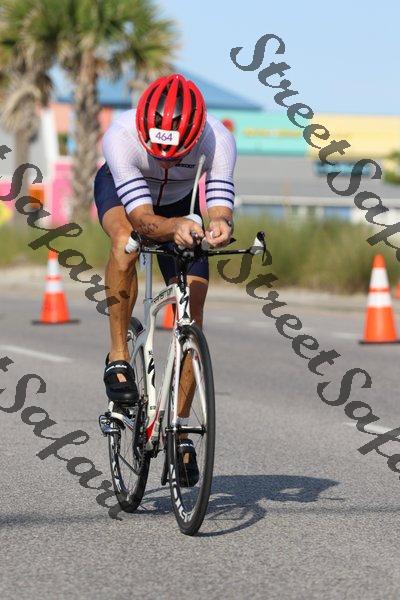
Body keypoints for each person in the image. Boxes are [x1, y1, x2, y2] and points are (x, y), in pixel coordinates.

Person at [94, 73, 236, 484]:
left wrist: (220, 224)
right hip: (127, 197)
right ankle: (118, 356)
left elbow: (219, 203)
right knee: (125, 242)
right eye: (160, 153)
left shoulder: (219, 139)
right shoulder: (120, 136)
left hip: (181, 202)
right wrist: (173, 227)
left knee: (194, 305)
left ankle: (180, 430)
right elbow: (142, 220)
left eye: (179, 155)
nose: (169, 161)